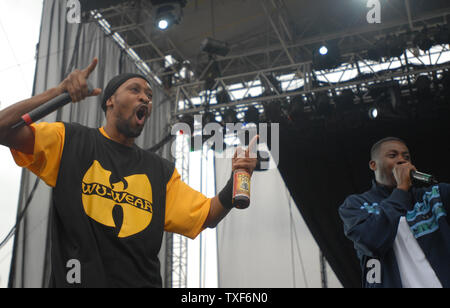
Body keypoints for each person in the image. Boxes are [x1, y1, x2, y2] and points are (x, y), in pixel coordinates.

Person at [0, 58, 258, 288]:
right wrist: (57, 93)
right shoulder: (69, 140)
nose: (145, 97)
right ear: (110, 100)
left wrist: (237, 177)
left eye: (148, 94)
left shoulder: (160, 171)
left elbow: (207, 215)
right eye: (135, 90)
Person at [339, 137, 450, 288]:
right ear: (373, 165)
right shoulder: (355, 205)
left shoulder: (433, 196)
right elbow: (372, 241)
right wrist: (401, 190)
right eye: (393, 155)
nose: (401, 161)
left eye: (406, 157)